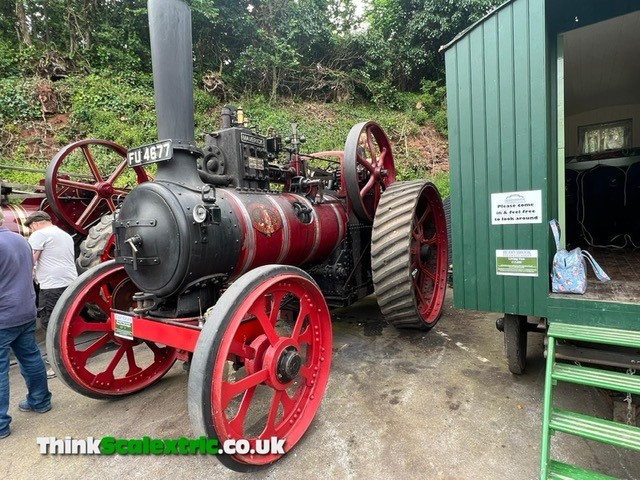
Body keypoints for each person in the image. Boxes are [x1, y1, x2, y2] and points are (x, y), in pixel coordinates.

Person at [0, 209, 53, 439]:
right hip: (25, 310)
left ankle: (1, 423)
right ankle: (40, 401)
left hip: (3, 315)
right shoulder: (21, 240)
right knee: (31, 356)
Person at [25, 210, 78, 379]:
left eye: (31, 227)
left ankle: (58, 364)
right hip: (70, 282)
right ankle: (70, 356)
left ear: (35, 224)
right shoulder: (64, 234)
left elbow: (30, 260)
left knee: (51, 323)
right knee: (66, 321)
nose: (32, 230)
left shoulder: (39, 235)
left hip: (51, 286)